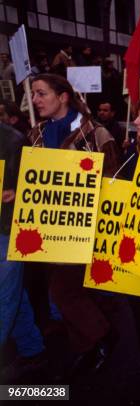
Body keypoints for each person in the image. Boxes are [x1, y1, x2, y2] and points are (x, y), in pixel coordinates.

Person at [27, 73, 119, 375]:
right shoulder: (36, 134)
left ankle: (101, 335)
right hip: (48, 228)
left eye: (41, 94)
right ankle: (88, 349)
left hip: (85, 227)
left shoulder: (95, 134)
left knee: (63, 291)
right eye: (34, 95)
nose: (35, 100)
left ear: (63, 96)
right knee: (70, 291)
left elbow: (113, 182)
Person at [0, 121, 47, 382]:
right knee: (13, 295)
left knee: (4, 297)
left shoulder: (14, 140)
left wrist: (15, 193)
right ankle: (33, 350)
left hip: (7, 229)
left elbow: (36, 186)